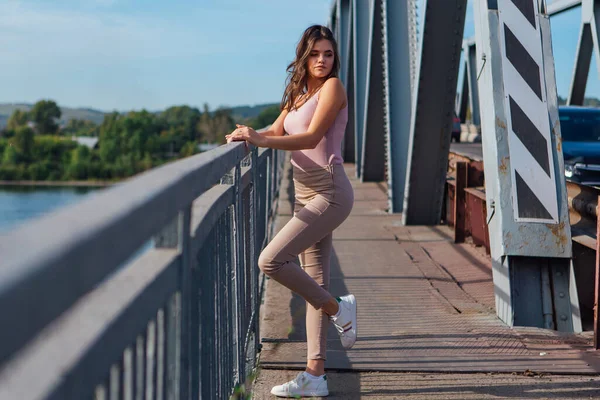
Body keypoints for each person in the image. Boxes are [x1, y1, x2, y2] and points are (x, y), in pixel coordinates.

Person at [226, 25, 356, 398]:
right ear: (303, 56)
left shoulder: (333, 88)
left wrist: (262, 139)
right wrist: (246, 134)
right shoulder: (298, 94)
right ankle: (315, 376)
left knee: (270, 260)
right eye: (315, 54)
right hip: (304, 192)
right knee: (315, 279)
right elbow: (274, 128)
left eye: (328, 54)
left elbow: (312, 138)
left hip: (329, 190)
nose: (321, 61)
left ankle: (339, 309)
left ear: (335, 58)